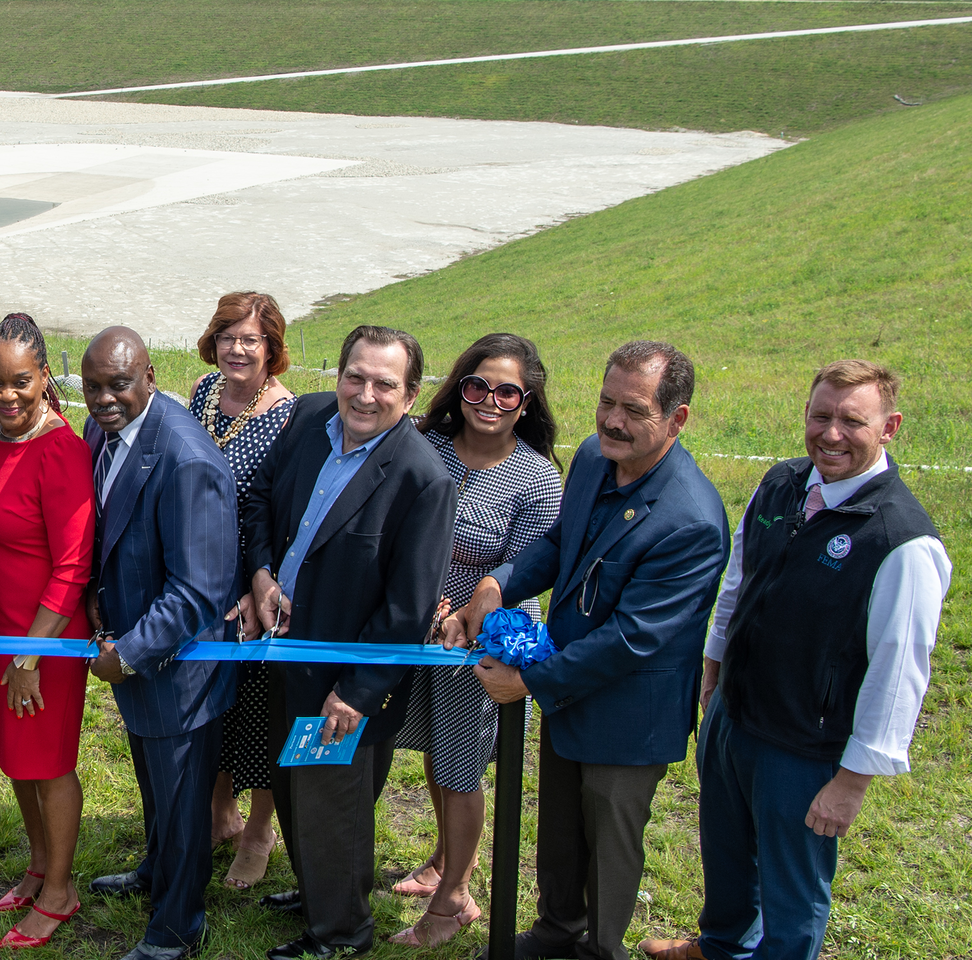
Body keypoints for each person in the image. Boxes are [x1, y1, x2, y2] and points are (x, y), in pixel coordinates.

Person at [639, 361, 950, 960]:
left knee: (793, 890)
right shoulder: (781, 483)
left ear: (890, 428)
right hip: (736, 713)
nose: (831, 434)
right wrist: (713, 669)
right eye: (821, 416)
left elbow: (899, 671)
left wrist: (852, 782)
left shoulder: (902, 540)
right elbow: (739, 581)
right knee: (726, 853)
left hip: (806, 747)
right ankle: (721, 946)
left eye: (852, 422)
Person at [445, 341, 731, 960]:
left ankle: (601, 950)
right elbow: (558, 543)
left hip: (628, 714)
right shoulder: (594, 460)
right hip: (569, 692)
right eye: (606, 402)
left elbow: (634, 637)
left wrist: (533, 681)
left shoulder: (691, 520)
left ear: (678, 419)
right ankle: (554, 933)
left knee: (609, 840)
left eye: (634, 409)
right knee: (561, 831)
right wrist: (499, 581)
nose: (612, 421)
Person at [244, 324, 458, 960]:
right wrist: (259, 572)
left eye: (384, 384)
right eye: (354, 377)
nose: (365, 394)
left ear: (411, 395)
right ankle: (317, 891)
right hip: (279, 653)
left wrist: (357, 693)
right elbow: (260, 498)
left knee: (333, 801)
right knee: (290, 784)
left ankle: (340, 933)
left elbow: (408, 606)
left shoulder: (423, 480)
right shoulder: (310, 417)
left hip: (343, 681)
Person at [388, 333, 564, 947]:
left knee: (461, 770)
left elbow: (522, 574)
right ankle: (443, 861)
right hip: (418, 631)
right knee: (436, 757)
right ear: (459, 388)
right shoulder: (424, 446)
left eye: (507, 391)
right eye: (477, 385)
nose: (490, 399)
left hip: (480, 645)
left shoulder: (539, 479)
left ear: (527, 400)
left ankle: (454, 899)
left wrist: (465, 614)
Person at [79, 326, 240, 960]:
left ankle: (176, 929)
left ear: (149, 377)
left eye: (119, 385)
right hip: (133, 650)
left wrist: (131, 652)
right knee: (153, 783)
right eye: (92, 387)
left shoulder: (186, 457)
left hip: (177, 667)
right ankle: (154, 873)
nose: (104, 399)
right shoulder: (104, 432)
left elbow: (201, 589)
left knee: (180, 800)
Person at [0, 314, 97, 949]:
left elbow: (74, 566)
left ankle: (61, 891)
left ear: (45, 377)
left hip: (45, 636)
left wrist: (30, 655)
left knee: (48, 761)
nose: (7, 396)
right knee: (15, 757)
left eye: (21, 382)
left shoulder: (61, 450)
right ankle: (39, 866)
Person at [187, 291, 297, 890]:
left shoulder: (288, 415)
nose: (236, 348)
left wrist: (260, 585)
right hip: (201, 575)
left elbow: (280, 511)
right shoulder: (205, 395)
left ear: (272, 348)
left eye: (250, 338)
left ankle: (259, 830)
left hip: (254, 581)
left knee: (258, 705)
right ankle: (220, 811)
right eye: (228, 334)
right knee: (215, 701)